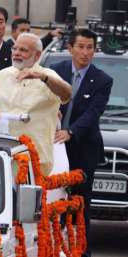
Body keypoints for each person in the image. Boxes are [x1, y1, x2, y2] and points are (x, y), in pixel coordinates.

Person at [51, 29, 113, 257]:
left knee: (80, 200)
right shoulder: (55, 72)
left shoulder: (103, 80)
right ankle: (51, 246)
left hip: (83, 147)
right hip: (54, 146)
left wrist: (71, 131)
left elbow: (92, 113)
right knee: (53, 197)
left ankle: (81, 250)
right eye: (81, 47)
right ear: (70, 48)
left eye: (90, 48)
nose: (85, 52)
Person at [0, 32, 72, 176]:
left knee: (27, 199)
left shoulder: (47, 75)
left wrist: (43, 78)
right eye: (15, 49)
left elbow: (67, 94)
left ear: (37, 56)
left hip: (34, 160)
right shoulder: (2, 75)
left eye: (23, 50)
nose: (16, 53)